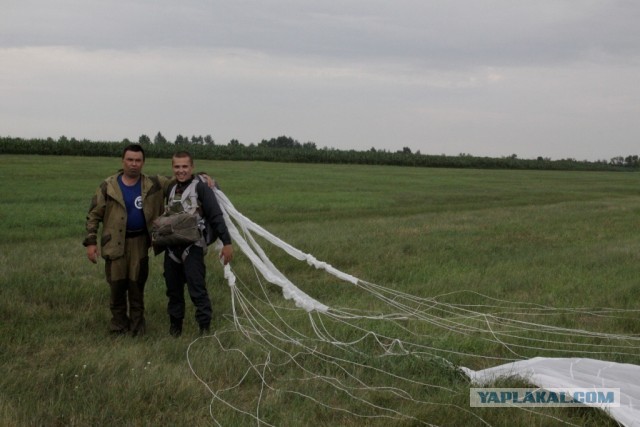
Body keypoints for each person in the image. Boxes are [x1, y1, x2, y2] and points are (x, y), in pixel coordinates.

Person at [83, 144, 170, 336]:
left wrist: (203, 177)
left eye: (138, 160)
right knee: (117, 287)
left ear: (143, 162)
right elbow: (93, 214)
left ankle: (137, 328)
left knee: (137, 286)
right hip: (114, 244)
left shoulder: (154, 183)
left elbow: (181, 180)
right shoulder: (108, 186)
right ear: (123, 161)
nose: (134, 164)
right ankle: (118, 327)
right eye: (130, 160)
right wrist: (90, 242)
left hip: (140, 243)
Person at [160, 150, 233, 337]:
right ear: (172, 167)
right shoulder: (170, 188)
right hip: (171, 248)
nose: (181, 170)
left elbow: (216, 215)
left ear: (192, 167)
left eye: (185, 166)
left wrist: (227, 243)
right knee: (173, 291)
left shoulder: (201, 187)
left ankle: (204, 330)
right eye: (177, 166)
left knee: (197, 289)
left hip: (193, 247)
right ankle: (175, 330)